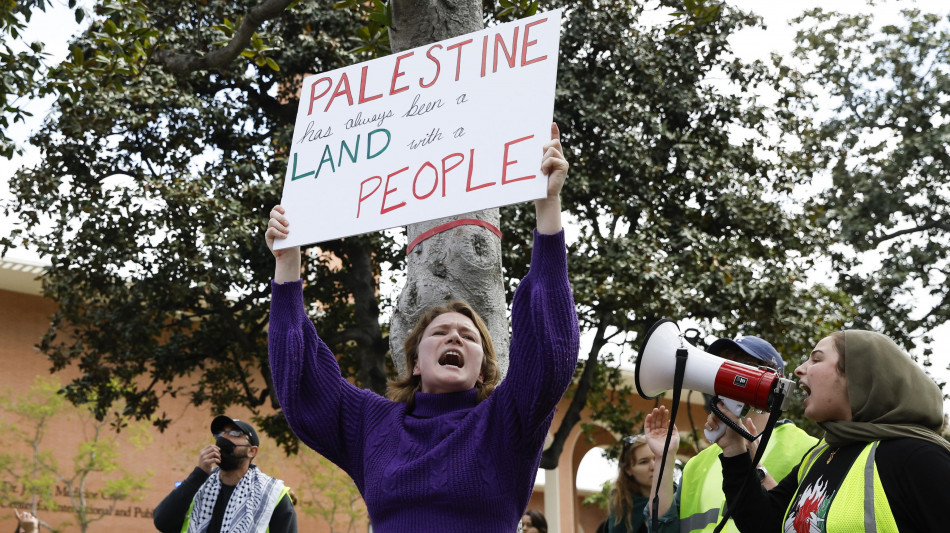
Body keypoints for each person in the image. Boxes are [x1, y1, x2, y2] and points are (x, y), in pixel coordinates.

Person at [266, 123, 579, 532]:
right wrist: (287, 264)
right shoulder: (373, 426)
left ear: (484, 367)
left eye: (469, 336)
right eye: (440, 332)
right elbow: (303, 383)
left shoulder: (506, 422)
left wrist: (548, 206)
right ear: (415, 364)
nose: (454, 336)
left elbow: (548, 349)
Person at [713, 330, 950, 532]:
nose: (798, 370)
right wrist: (735, 450)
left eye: (816, 360)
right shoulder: (819, 455)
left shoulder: (917, 457)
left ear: (859, 376)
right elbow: (764, 524)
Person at [644, 335, 818, 533]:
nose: (726, 374)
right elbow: (663, 529)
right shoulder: (697, 464)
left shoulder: (808, 449)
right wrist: (664, 459)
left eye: (742, 365)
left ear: (774, 379)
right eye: (721, 365)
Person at [153, 415, 297, 533]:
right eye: (220, 434)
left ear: (252, 451)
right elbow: (162, 522)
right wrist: (199, 474)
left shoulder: (273, 494)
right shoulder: (198, 484)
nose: (224, 438)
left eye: (234, 433)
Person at [605, 434, 654, 533]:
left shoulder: (679, 497)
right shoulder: (622, 509)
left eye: (657, 458)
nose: (653, 466)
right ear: (628, 469)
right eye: (644, 462)